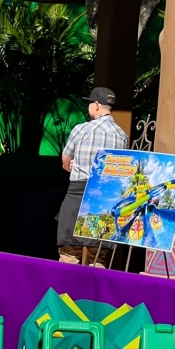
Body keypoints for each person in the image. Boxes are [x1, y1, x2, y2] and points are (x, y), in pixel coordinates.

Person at [56, 86, 128, 266]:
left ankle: (66, 292)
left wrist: (72, 166)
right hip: (104, 197)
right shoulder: (122, 136)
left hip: (78, 194)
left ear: (96, 105)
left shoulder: (81, 129)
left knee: (69, 254)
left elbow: (65, 161)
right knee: (98, 257)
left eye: (89, 103)